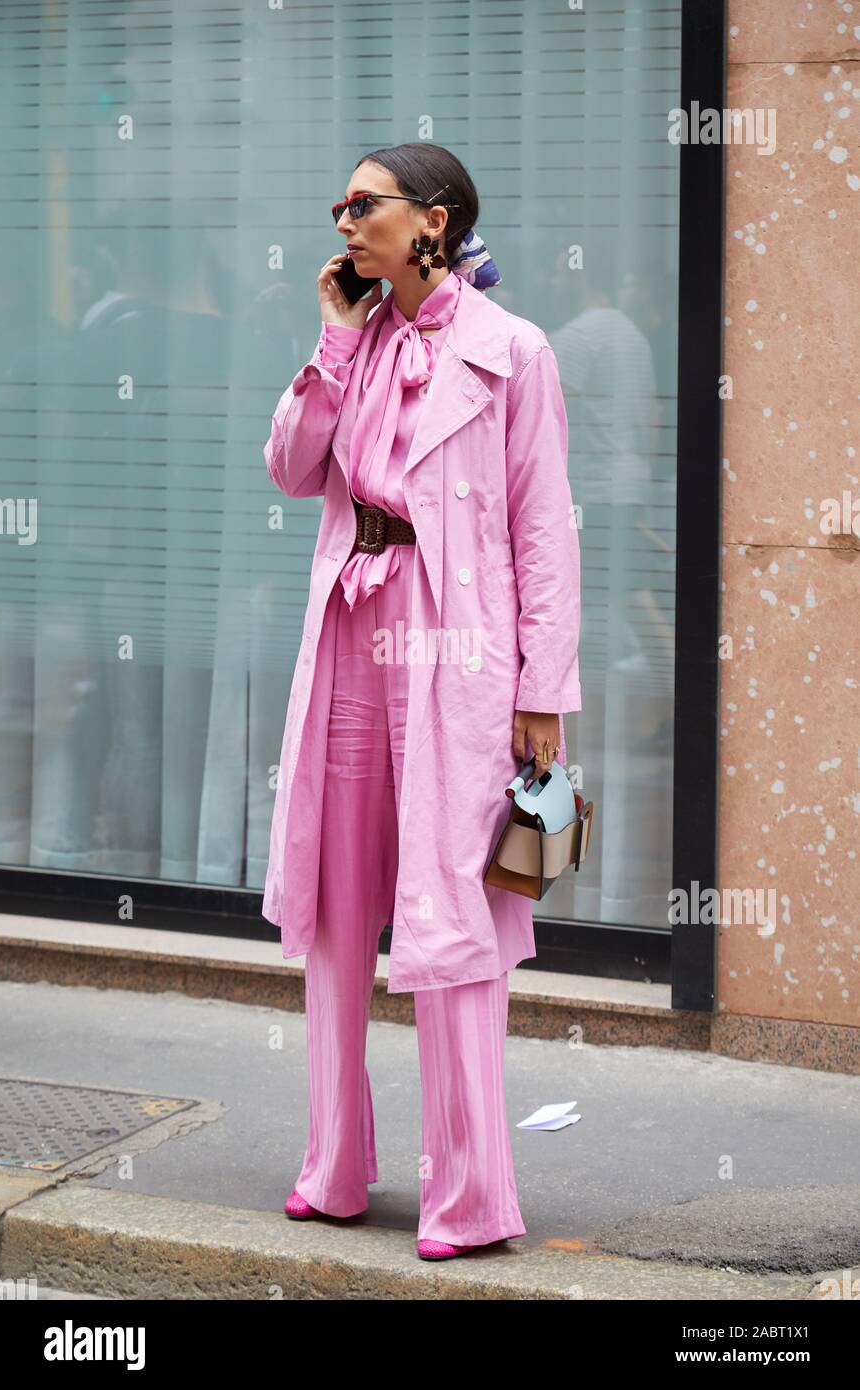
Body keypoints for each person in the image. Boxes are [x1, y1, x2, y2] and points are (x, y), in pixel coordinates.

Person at [262, 142, 582, 1260]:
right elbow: (293, 467)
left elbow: (543, 528)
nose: (344, 221)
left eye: (365, 203)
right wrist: (334, 337)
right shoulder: (356, 342)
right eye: (340, 202)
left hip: (457, 649)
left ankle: (470, 1195)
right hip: (355, 631)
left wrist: (544, 687)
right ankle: (334, 1166)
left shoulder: (514, 351)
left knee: (453, 921)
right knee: (342, 904)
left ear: (432, 220)